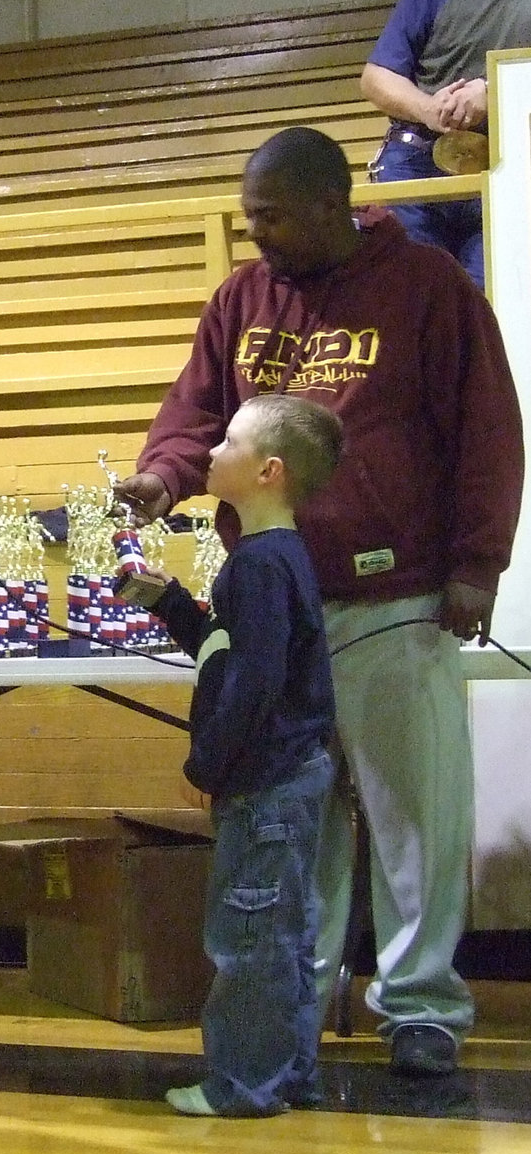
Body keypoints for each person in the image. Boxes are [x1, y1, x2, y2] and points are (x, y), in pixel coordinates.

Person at [114, 126, 523, 1079]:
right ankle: (291, 998)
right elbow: (195, 415)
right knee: (298, 817)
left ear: (332, 202)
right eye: (249, 213)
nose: (254, 231)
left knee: (414, 813)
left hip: (397, 596)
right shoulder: (240, 299)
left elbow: (487, 432)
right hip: (275, 609)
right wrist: (162, 478)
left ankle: (420, 1004)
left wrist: (477, 563)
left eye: (270, 214)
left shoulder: (427, 289)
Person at [125, 394, 341, 1117]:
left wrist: (204, 766)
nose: (209, 453)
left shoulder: (258, 566)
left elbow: (253, 684)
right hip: (286, 777)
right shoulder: (267, 560)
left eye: (228, 444)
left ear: (267, 471)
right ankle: (287, 1076)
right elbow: (229, 650)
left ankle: (240, 1086)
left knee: (246, 939)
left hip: (263, 784)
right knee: (282, 935)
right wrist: (170, 603)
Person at [361, 0, 531, 289]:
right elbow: (376, 77)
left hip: (507, 165)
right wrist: (426, 108)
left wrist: (494, 90)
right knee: (413, 296)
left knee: (490, 302)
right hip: (414, 161)